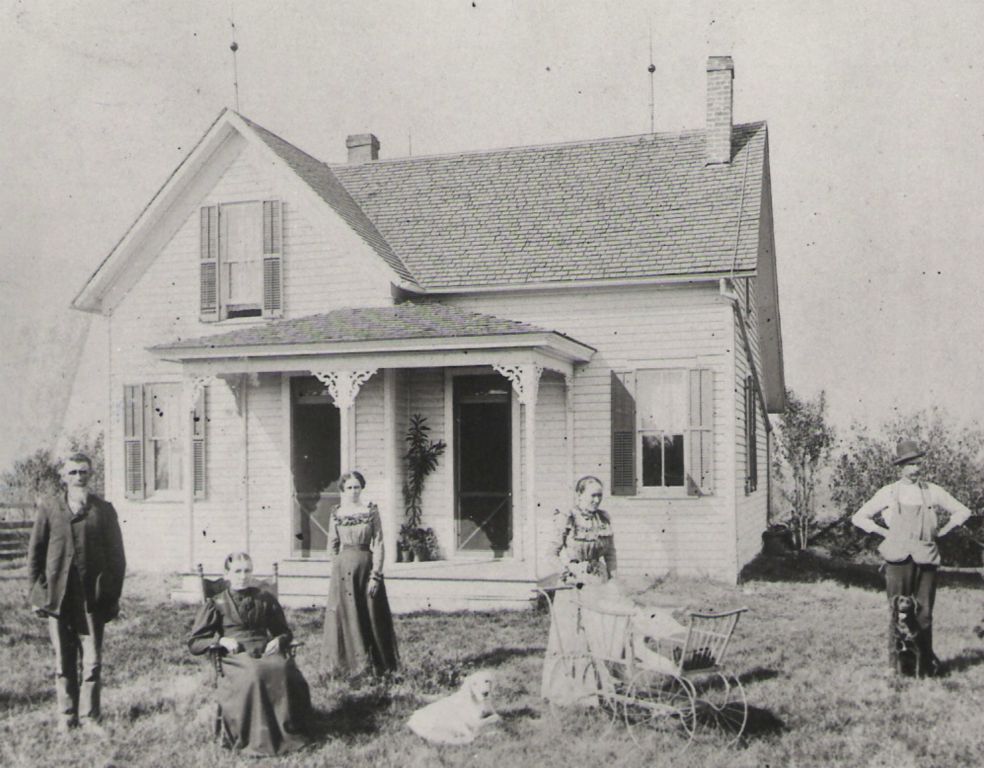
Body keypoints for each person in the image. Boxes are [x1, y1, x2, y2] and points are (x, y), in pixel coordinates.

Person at [852, 439, 972, 676]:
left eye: (917, 463)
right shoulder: (889, 492)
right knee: (897, 612)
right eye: (909, 464)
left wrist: (944, 531)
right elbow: (859, 517)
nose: (915, 469)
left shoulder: (932, 491)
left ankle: (925, 665)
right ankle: (894, 666)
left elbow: (963, 511)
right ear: (900, 467)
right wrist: (883, 532)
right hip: (898, 561)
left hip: (926, 557)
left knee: (924, 613)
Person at [28, 452, 126, 737]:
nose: (78, 477)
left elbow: (117, 558)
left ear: (90, 474)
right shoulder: (49, 508)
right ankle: (66, 716)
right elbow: (35, 555)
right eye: (72, 472)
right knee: (63, 661)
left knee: (92, 661)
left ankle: (90, 717)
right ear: (63, 477)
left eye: (83, 472)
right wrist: (38, 595)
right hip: (58, 599)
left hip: (90, 600)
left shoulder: (103, 510)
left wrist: (112, 596)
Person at [187, 552, 312, 756]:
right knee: (255, 673)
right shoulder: (216, 603)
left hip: (265, 649)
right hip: (235, 655)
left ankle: (287, 732)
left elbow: (284, 632)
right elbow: (195, 642)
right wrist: (221, 641)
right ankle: (255, 739)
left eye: (247, 571)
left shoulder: (264, 599)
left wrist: (278, 640)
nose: (243, 576)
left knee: (284, 668)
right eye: (237, 571)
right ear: (226, 574)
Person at [541, 475, 617, 704]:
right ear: (579, 495)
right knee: (573, 636)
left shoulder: (603, 519)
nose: (596, 500)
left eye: (599, 496)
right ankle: (567, 693)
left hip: (598, 583)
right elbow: (551, 554)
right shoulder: (568, 518)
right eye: (592, 495)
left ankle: (600, 692)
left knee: (600, 635)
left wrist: (613, 579)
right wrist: (569, 570)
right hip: (573, 586)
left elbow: (611, 553)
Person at [323, 470, 399, 679]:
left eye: (357, 487)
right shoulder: (336, 513)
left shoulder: (370, 511)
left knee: (371, 615)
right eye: (349, 488)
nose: (353, 491)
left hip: (366, 568)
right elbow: (332, 545)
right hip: (343, 572)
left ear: (362, 488)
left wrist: (376, 575)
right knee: (347, 616)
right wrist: (337, 567)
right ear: (343, 490)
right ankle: (349, 666)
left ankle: (378, 666)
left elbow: (380, 543)